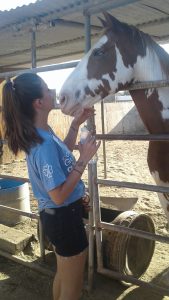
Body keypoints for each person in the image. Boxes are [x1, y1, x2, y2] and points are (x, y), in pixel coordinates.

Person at [2, 73, 101, 300]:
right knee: (72, 289)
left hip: (57, 216)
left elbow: (61, 154)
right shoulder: (42, 142)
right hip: (63, 214)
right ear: (39, 102)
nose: (52, 93)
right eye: (47, 90)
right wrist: (83, 159)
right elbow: (58, 195)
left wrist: (75, 125)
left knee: (63, 276)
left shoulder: (42, 132)